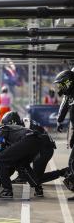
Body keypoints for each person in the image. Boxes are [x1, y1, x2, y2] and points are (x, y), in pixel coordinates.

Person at [1, 111, 66, 184]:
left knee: (36, 179)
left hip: (44, 149)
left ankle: (63, 172)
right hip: (40, 147)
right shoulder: (23, 124)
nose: (5, 128)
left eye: (6, 125)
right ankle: (22, 176)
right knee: (16, 154)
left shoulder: (23, 128)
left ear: (13, 123)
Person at [0, 124, 44, 198]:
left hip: (27, 139)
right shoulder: (15, 130)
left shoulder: (1, 129)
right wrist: (2, 179)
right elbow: (12, 165)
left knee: (0, 159)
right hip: (38, 142)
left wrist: (1, 179)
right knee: (22, 165)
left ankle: (7, 190)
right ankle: (38, 188)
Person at [54, 70, 74, 201]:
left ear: (68, 82)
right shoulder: (70, 95)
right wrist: (59, 120)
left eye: (61, 84)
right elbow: (64, 105)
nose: (60, 87)